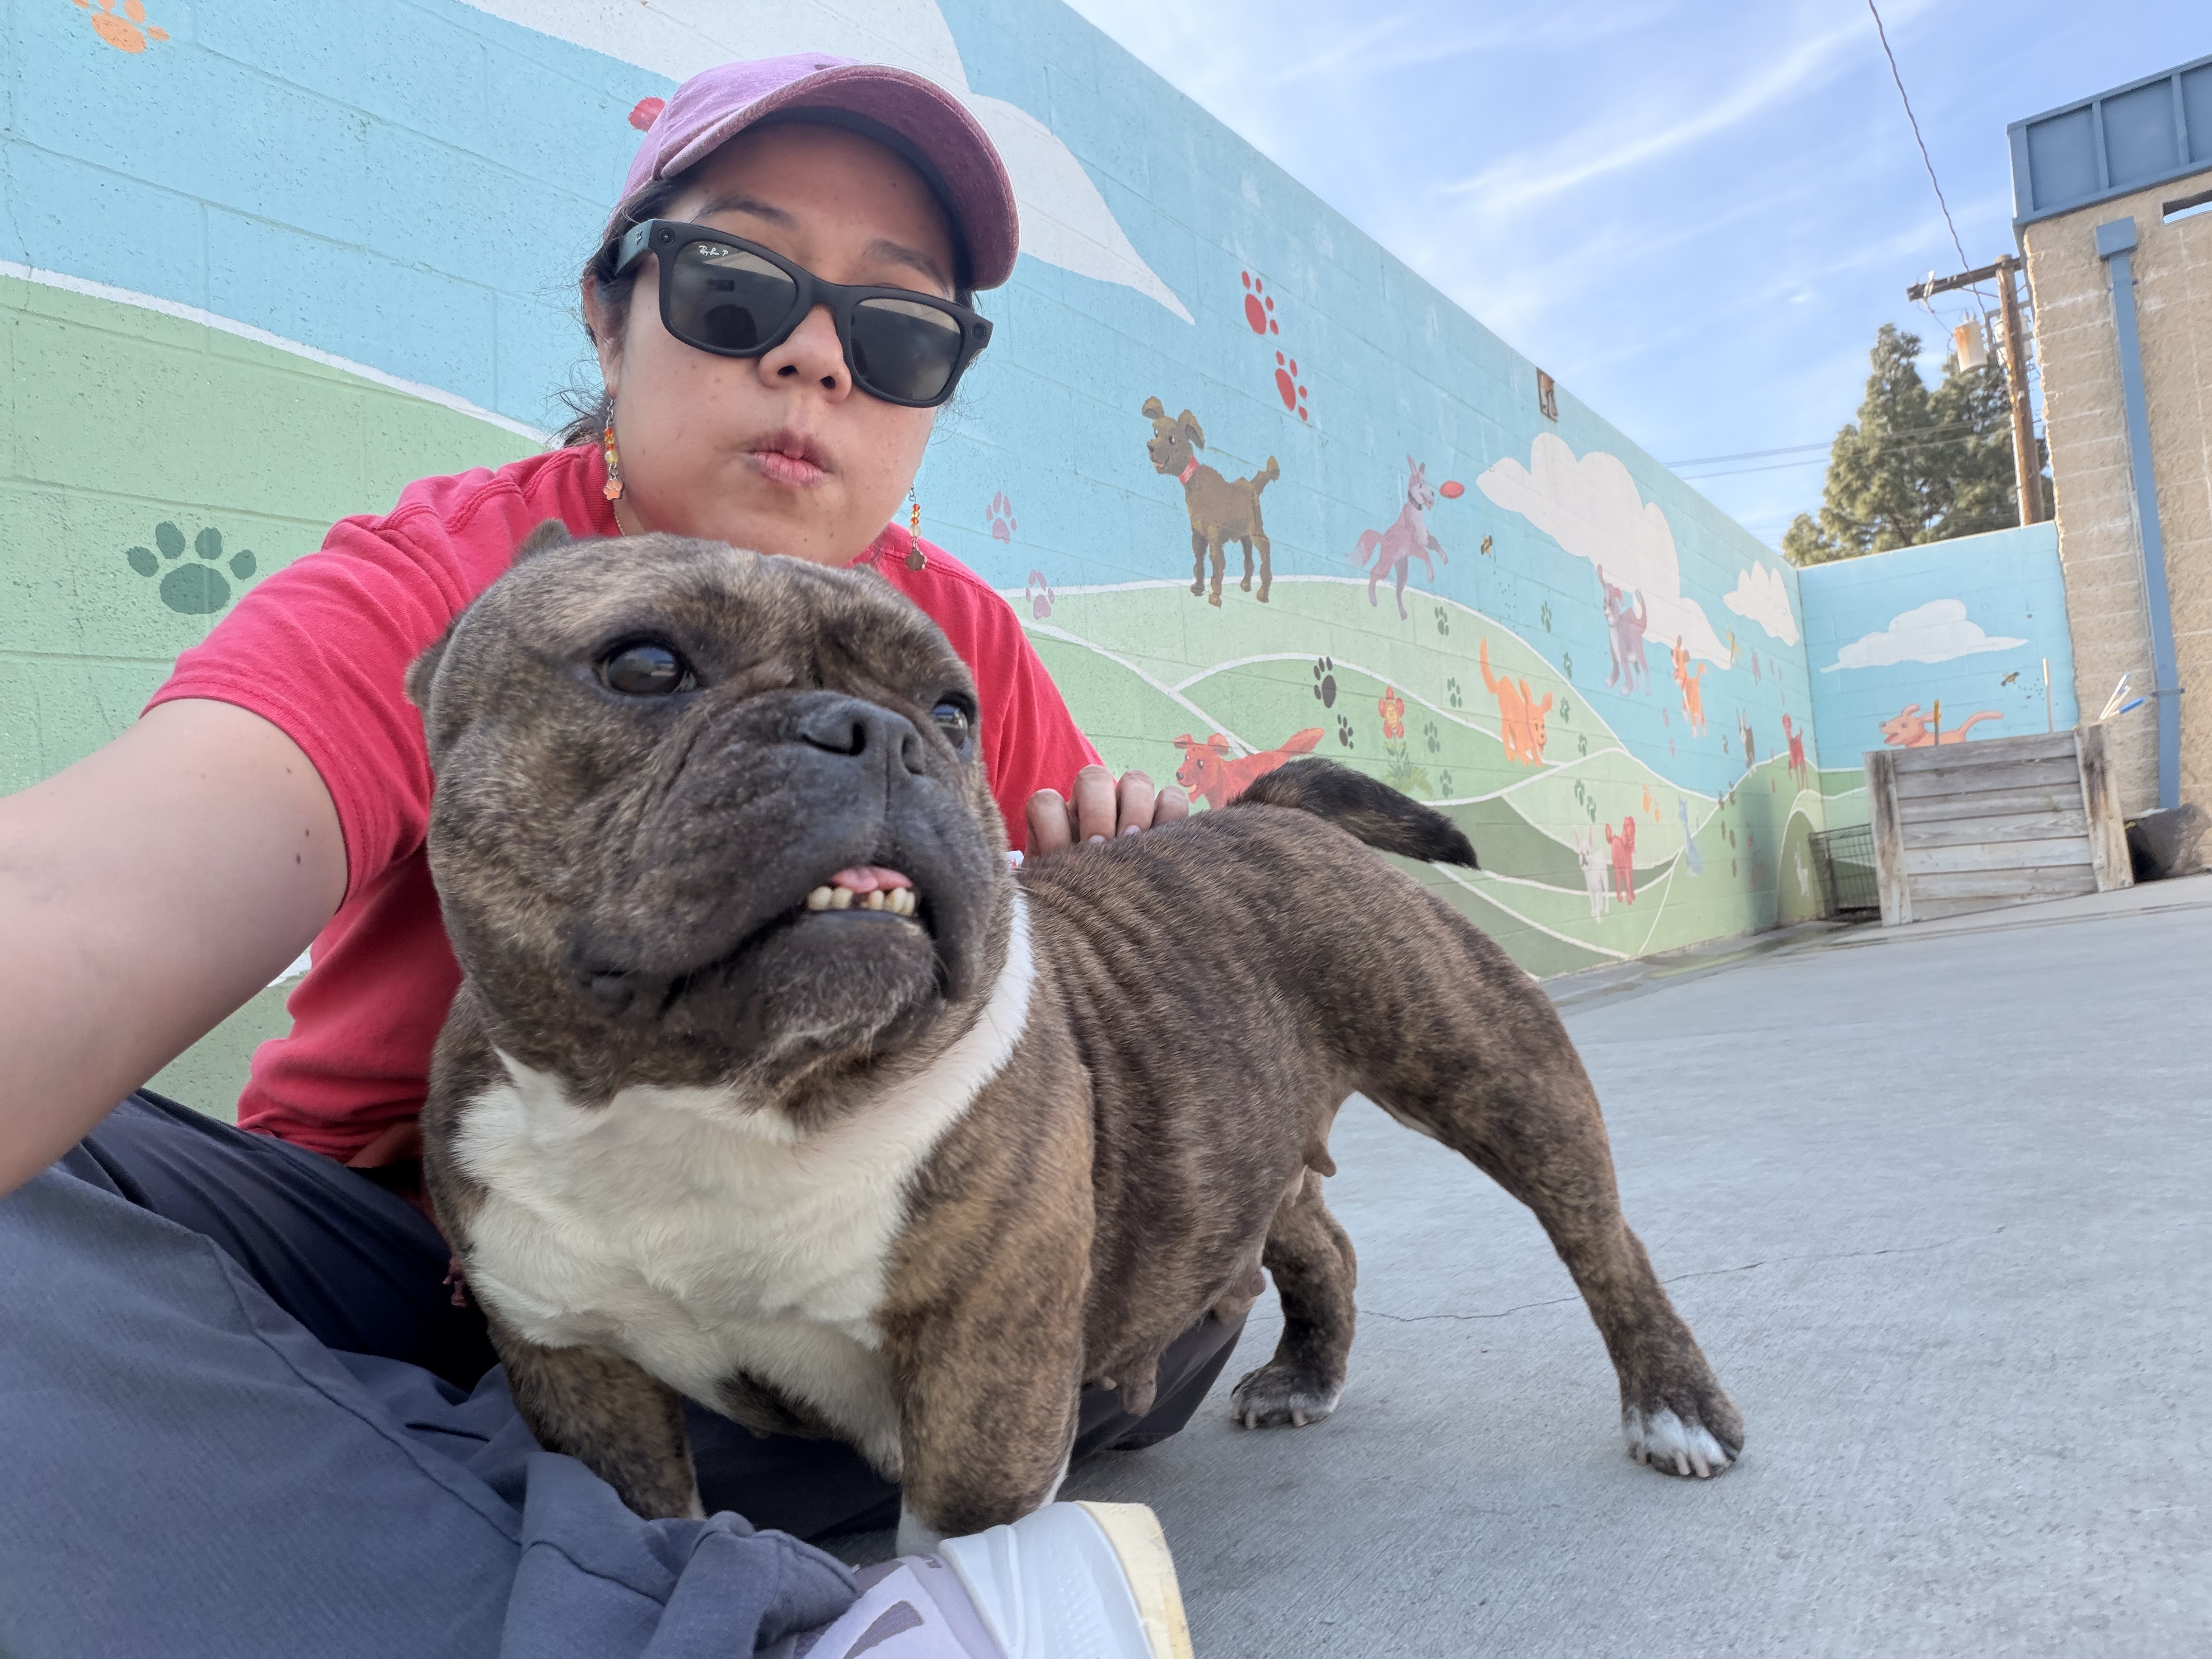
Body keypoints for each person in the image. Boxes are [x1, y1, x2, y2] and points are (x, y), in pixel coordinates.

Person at [0, 56, 1231, 1658]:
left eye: (901, 330)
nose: (812, 354)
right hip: (405, 1265)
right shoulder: (438, 581)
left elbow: (1082, 1005)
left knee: (1179, 1303)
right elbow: (76, 904)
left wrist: (1112, 867)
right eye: (738, 284)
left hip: (836, 1293)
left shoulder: (963, 638)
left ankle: (411, 1533)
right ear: (611, 309)